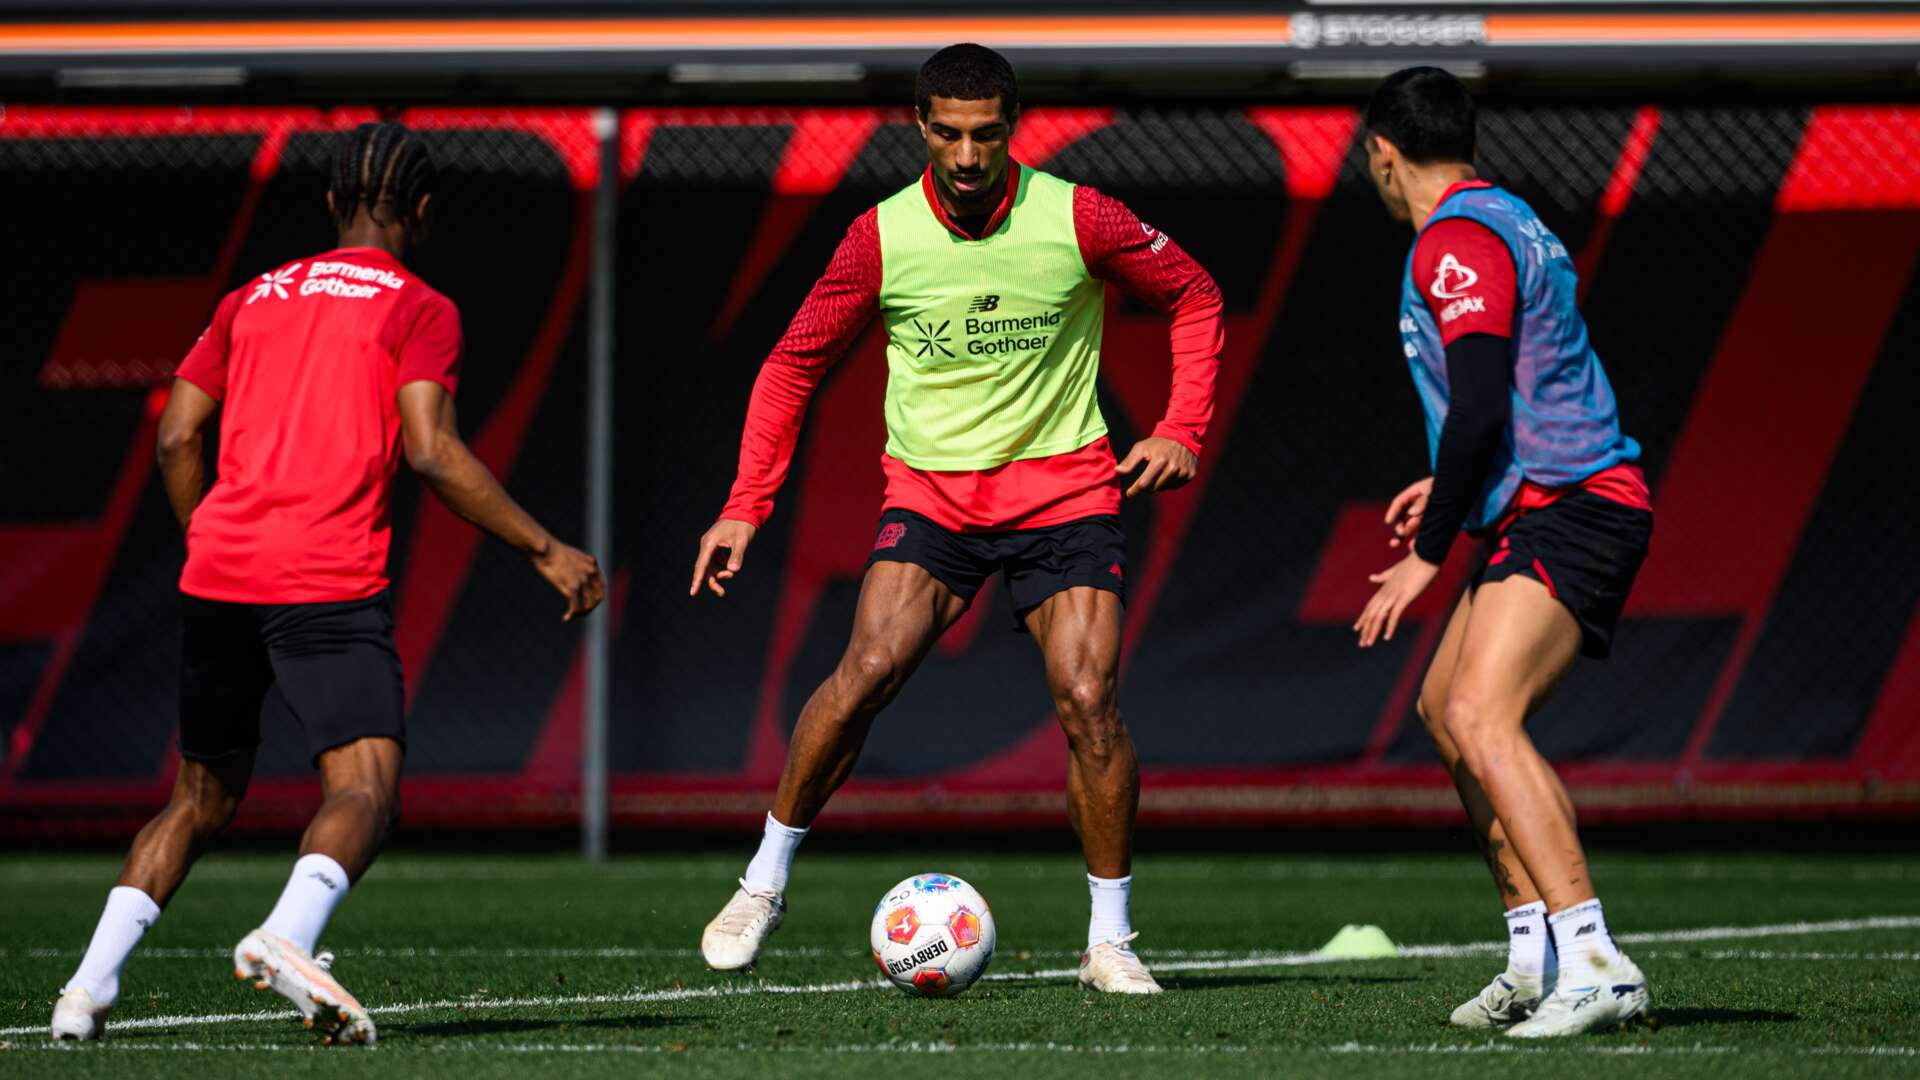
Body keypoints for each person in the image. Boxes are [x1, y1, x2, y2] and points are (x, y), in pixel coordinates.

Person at [49, 122, 604, 1046]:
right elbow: (431, 449)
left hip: (219, 573)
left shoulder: (249, 298)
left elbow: (178, 435)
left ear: (330, 203)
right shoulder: (419, 306)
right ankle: (288, 935)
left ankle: (83, 992)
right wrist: (546, 548)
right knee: (366, 788)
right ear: (422, 210)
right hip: (324, 575)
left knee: (197, 799)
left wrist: (209, 536)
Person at [689, 44, 1222, 994]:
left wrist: (1183, 427)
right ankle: (762, 883)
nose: (969, 154)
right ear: (921, 129)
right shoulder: (881, 235)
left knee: (1090, 701)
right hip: (934, 495)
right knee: (867, 671)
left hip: (1066, 493)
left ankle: (1110, 941)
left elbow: (1195, 292)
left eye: (986, 133)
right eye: (950, 133)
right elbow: (791, 363)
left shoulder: (1079, 214)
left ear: (1011, 127)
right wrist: (743, 507)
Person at [1352, 68, 1655, 1037]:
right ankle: (1533, 958)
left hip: (1576, 504)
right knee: (1446, 710)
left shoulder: (1455, 240)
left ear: (1383, 154)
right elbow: (1510, 392)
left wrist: (1431, 553)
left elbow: (1481, 401)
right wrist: (1449, 484)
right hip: (1542, 500)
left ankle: (1597, 960)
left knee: (1484, 713)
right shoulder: (1509, 216)